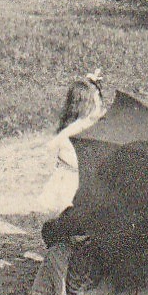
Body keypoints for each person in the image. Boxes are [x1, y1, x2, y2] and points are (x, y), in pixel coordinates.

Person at [35, 71, 107, 214]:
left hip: (79, 173)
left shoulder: (88, 123)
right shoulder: (77, 126)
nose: (99, 106)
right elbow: (53, 144)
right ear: (84, 105)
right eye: (95, 103)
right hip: (70, 175)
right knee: (71, 206)